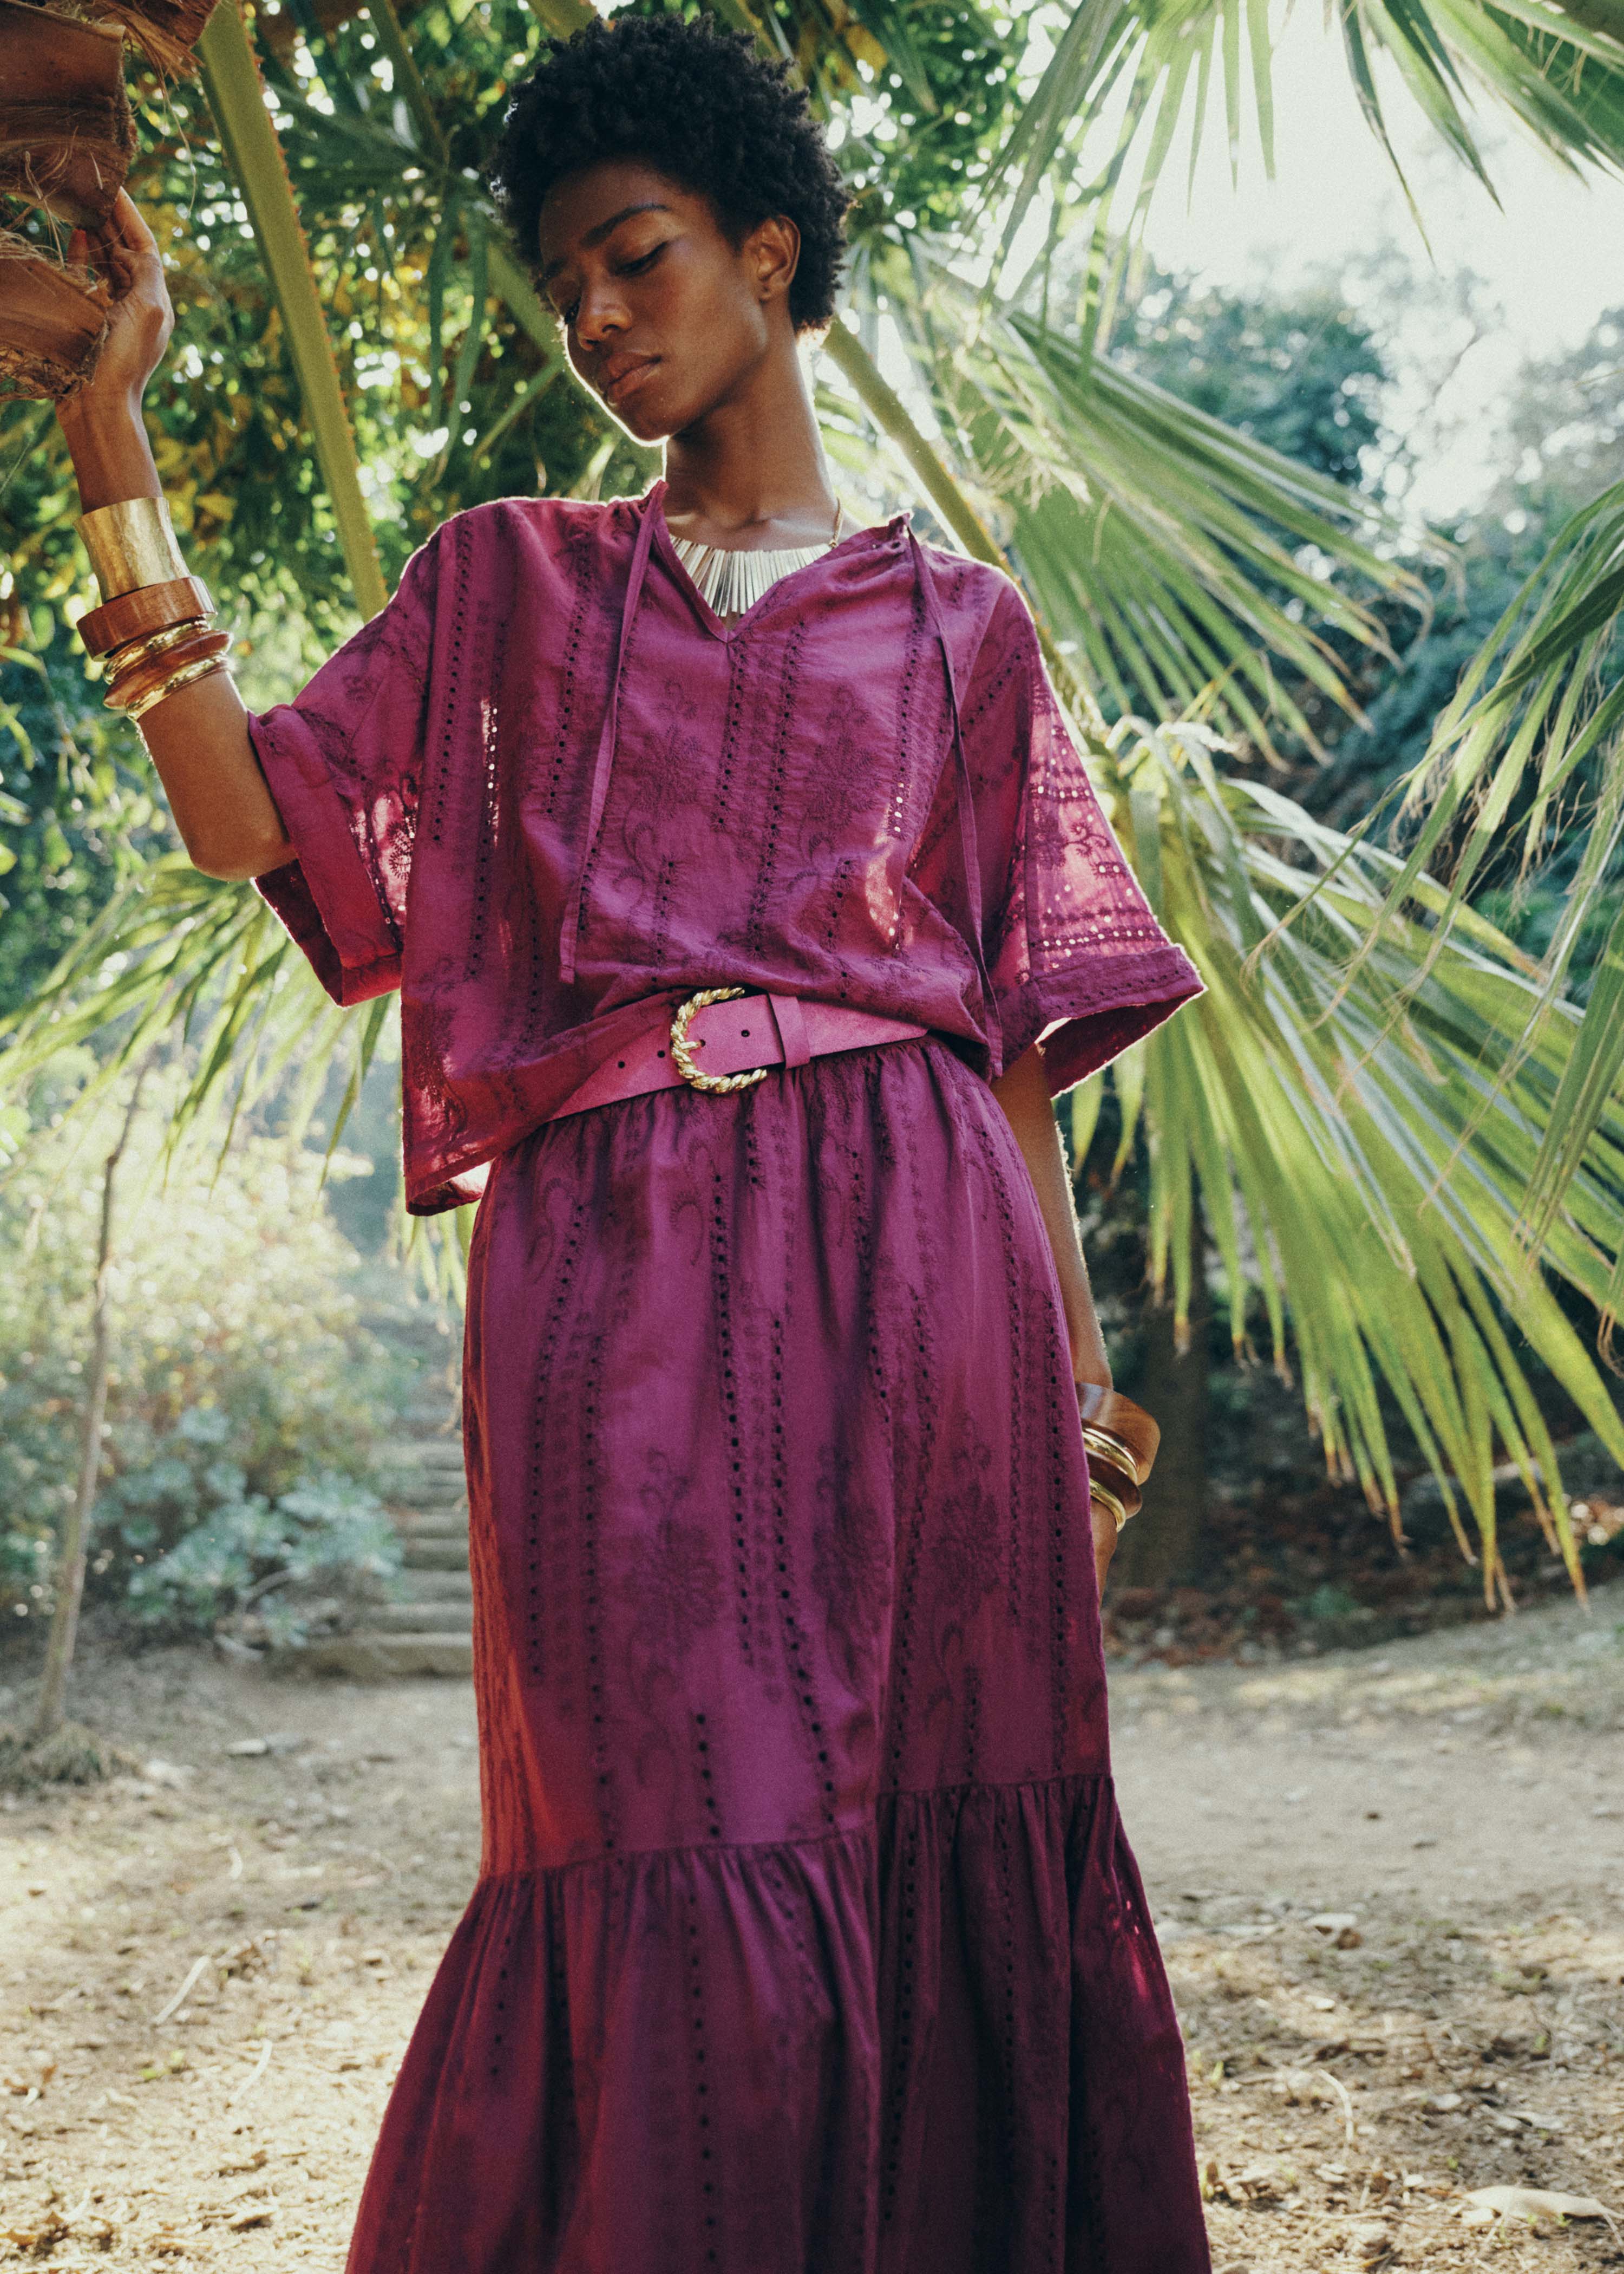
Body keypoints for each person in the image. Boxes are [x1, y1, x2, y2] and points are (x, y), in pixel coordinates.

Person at [56, 14, 1213, 2268]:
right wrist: (110, 433)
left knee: (958, 1822)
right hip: (613, 1272)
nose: (592, 315)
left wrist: (1075, 1400)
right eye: (566, 282)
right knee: (651, 1824)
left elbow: (1009, 1046)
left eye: (636, 254)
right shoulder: (507, 581)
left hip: (931, 1284)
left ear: (769, 251)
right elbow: (239, 819)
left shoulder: (965, 632)